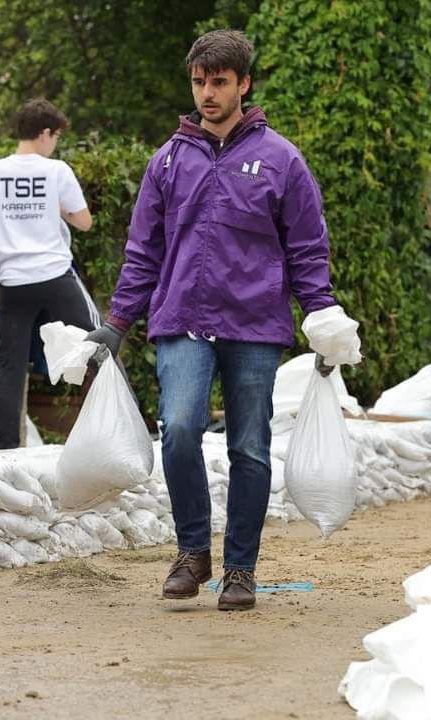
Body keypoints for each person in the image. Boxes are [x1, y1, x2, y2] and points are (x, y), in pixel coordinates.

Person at [86, 30, 345, 611]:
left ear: (243, 84)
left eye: (219, 81)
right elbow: (143, 251)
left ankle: (241, 569)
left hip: (255, 325)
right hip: (181, 318)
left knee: (249, 448)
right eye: (199, 81)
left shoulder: (281, 160)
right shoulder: (169, 159)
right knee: (179, 429)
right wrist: (118, 321)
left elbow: (307, 247)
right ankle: (193, 551)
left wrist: (322, 315)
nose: (207, 92)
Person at [0, 99, 101, 450]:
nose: (55, 144)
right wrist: (54, 207)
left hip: (13, 279)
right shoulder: (56, 171)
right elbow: (85, 221)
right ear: (45, 133)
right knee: (100, 343)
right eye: (56, 136)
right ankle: (127, 426)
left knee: (11, 365)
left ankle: (4, 450)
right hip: (53, 273)